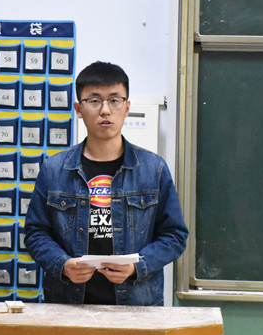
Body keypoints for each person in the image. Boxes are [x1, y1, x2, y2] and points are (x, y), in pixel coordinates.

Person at [24, 61, 188, 305]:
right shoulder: (54, 169)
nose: (105, 110)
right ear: (78, 109)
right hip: (69, 305)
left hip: (137, 307)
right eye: (94, 100)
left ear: (127, 107)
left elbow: (174, 235)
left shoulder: (154, 169)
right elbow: (36, 233)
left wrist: (138, 266)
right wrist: (63, 265)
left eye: (114, 100)